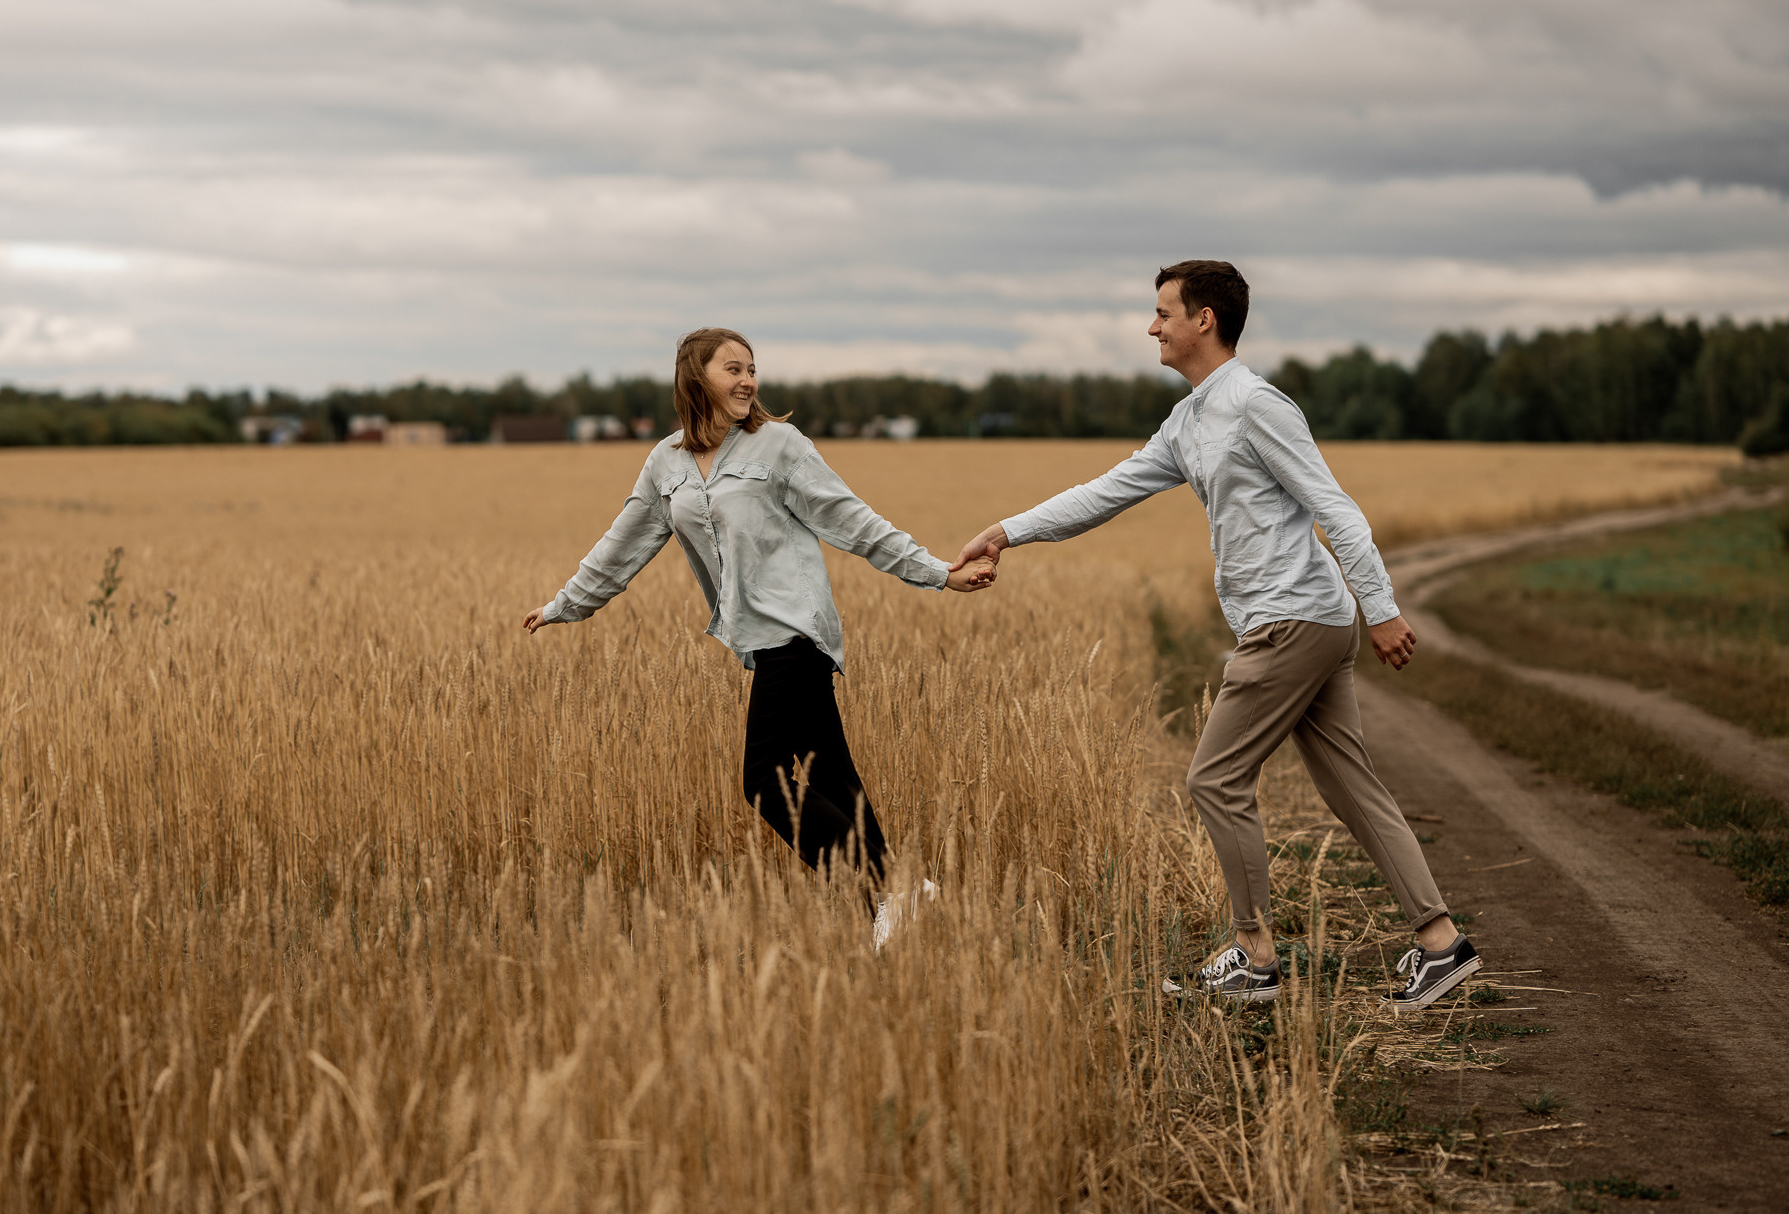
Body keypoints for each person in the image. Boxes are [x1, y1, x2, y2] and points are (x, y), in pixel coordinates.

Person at [955, 261, 1480, 1010]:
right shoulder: (1191, 419)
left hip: (1291, 619)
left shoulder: (1256, 405)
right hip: (1304, 616)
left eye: (1163, 311)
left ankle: (1256, 955)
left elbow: (1337, 508)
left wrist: (1383, 605)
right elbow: (1105, 492)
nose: (1151, 325)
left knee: (1213, 778)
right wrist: (1008, 531)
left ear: (1204, 319)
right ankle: (1441, 944)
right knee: (1348, 783)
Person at [525, 327, 996, 949]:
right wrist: (566, 605)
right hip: (757, 640)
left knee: (763, 780)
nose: (748, 380)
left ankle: (896, 888)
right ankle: (905, 911)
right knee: (831, 777)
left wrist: (938, 573)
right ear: (696, 377)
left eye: (752, 369)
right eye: (733, 369)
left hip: (796, 631)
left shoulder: (779, 446)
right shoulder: (665, 464)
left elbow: (852, 520)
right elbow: (623, 545)